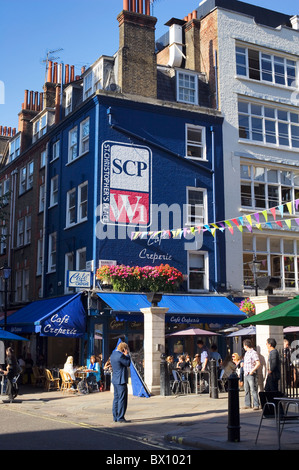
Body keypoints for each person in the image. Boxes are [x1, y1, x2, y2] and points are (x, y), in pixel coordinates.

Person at [110, 342, 131, 423]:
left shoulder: (113, 354)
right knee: (122, 399)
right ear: (124, 349)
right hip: (121, 380)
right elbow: (128, 363)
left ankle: (115, 416)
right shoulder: (121, 356)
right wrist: (127, 355)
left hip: (115, 380)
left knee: (116, 398)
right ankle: (120, 417)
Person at [243, 339, 260, 410]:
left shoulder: (253, 353)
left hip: (251, 374)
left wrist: (252, 370)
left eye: (244, 346)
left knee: (253, 389)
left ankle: (256, 404)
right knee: (246, 389)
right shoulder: (246, 353)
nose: (243, 347)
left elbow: (258, 363)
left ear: (246, 346)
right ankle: (247, 404)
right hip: (246, 374)